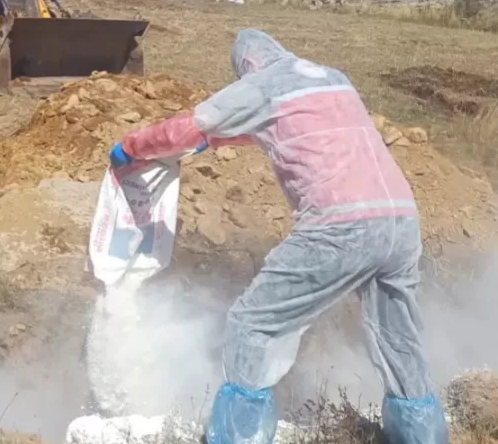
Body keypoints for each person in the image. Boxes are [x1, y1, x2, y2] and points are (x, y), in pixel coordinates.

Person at [109, 29, 448, 444]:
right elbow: (284, 125)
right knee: (399, 336)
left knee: (253, 323)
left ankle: (240, 436)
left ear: (245, 67)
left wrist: (133, 146)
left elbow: (193, 125)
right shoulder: (333, 77)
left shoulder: (260, 85)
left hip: (339, 226)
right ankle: (422, 435)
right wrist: (213, 142)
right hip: (400, 221)